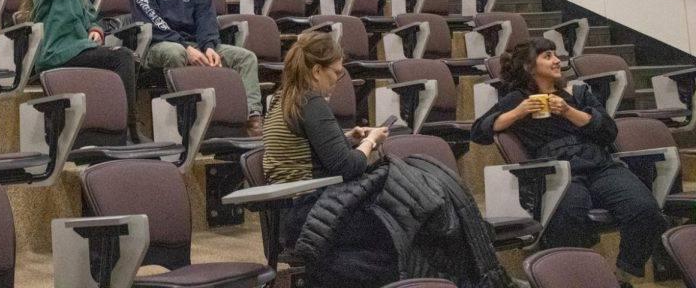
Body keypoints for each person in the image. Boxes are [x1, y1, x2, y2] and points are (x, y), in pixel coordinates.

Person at [267, 32, 513, 288]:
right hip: (314, 211)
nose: (337, 80)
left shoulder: (282, 99)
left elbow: (304, 148)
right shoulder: (312, 101)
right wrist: (370, 141)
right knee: (414, 219)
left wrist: (346, 137)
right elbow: (348, 167)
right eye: (336, 72)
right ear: (317, 70)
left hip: (296, 210)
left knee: (412, 210)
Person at [472, 37, 667, 284]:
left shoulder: (579, 92)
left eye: (555, 54)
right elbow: (479, 132)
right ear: (529, 67)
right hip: (559, 171)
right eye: (547, 56)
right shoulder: (517, 99)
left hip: (599, 164)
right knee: (569, 214)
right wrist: (518, 112)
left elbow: (609, 131)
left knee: (644, 209)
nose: (556, 60)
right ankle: (574, 278)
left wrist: (568, 111)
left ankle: (622, 275)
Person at [130, 0, 263, 136]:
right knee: (176, 54)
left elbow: (205, 14)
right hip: (158, 45)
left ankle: (252, 120)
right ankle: (189, 121)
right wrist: (185, 46)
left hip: (196, 44)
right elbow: (150, 18)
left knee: (245, 58)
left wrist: (209, 45)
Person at [22, 0, 138, 139]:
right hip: (57, 52)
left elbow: (90, 16)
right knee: (122, 58)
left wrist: (95, 28)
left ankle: (113, 130)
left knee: (128, 58)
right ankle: (129, 130)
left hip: (78, 49)